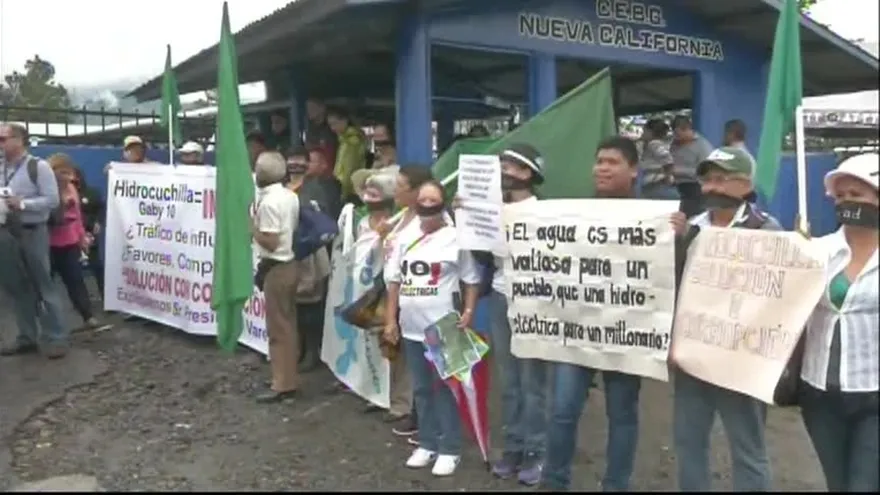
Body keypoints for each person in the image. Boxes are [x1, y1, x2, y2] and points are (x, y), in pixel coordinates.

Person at [541, 136, 685, 492]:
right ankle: (554, 481)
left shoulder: (655, 217)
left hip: (626, 333)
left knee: (622, 416)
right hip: (577, 330)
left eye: (613, 162)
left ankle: (616, 485)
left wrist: (679, 237)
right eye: (599, 161)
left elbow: (670, 272)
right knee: (562, 411)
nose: (602, 168)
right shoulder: (574, 213)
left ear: (633, 170)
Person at [670, 146, 781, 492]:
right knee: (689, 442)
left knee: (748, 448)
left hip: (739, 361)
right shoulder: (691, 229)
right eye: (707, 180)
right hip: (692, 355)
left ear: (745, 184)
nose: (711, 188)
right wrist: (671, 241)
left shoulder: (767, 231)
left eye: (721, 179)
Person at [383, 179, 480, 477]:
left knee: (445, 389)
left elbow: (471, 278)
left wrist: (469, 310)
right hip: (411, 328)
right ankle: (427, 442)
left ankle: (450, 447)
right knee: (422, 389)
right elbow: (394, 282)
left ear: (443, 203)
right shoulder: (404, 237)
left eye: (433, 200)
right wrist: (390, 320)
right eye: (421, 199)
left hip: (443, 327)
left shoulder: (456, 238)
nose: (426, 205)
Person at [799, 153, 879, 492]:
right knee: (838, 484)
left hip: (873, 396)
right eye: (842, 196)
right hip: (819, 394)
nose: (847, 203)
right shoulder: (816, 251)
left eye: (857, 196)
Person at [485, 143, 547, 486]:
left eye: (513, 166)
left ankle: (537, 452)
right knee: (509, 384)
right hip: (499, 296)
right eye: (502, 165)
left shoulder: (544, 211)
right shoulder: (489, 209)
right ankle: (514, 447)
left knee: (532, 384)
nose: (505, 171)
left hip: (533, 302)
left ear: (529, 174)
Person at [378, 165, 444, 438]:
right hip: (401, 299)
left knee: (427, 368)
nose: (395, 190)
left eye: (401, 185)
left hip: (423, 301)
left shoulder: (429, 225)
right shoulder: (401, 216)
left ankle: (430, 422)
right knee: (409, 362)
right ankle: (417, 415)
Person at [0, 123, 69, 359]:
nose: (0, 143)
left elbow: (52, 200)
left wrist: (24, 204)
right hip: (5, 233)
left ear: (19, 140)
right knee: (16, 286)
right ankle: (26, 337)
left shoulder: (38, 167)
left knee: (44, 284)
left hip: (32, 231)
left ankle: (57, 338)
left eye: (2, 138)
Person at [252, 151, 302, 403]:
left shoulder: (270, 203)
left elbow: (270, 242)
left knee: (279, 329)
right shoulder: (289, 196)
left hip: (277, 265)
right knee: (287, 325)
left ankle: (283, 383)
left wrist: (251, 227)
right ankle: (285, 377)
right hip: (288, 264)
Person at [46, 154, 109, 332]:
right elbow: (47, 217)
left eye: (70, 173)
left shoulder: (72, 189)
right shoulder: (46, 190)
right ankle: (49, 324)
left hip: (69, 244)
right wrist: (61, 207)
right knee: (46, 286)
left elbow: (78, 218)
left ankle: (88, 316)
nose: (70, 177)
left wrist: (82, 238)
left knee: (76, 281)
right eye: (64, 173)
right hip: (48, 245)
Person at [286, 146, 334, 372]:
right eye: (291, 161)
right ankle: (299, 349)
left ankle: (313, 352)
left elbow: (323, 218)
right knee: (294, 305)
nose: (295, 165)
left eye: (300, 161)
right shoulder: (282, 187)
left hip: (311, 250)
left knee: (312, 304)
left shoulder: (315, 188)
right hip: (288, 251)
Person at [670, 115, 713, 218]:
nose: (676, 137)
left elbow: (705, 171)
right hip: (676, 187)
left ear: (687, 129)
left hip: (695, 188)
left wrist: (678, 171)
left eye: (678, 134)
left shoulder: (703, 146)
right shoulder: (674, 144)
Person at [72, 167, 104, 298]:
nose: (74, 180)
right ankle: (81, 299)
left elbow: (101, 208)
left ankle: (106, 297)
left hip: (90, 235)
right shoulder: (64, 193)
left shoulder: (91, 193)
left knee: (97, 266)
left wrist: (98, 221)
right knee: (74, 271)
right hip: (71, 236)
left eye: (75, 176)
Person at [327, 107, 367, 202]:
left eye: (335, 123)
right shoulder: (343, 140)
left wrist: (343, 193)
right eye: (330, 125)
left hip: (349, 188)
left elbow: (349, 167)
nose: (333, 128)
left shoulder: (352, 141)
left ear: (345, 120)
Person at [639, 119, 679, 200]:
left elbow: (668, 161)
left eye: (644, 131)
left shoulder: (654, 144)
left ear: (650, 132)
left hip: (655, 185)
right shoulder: (650, 146)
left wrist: (668, 177)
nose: (642, 134)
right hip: (652, 185)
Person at [305, 98, 338, 166]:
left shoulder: (331, 127)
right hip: (314, 167)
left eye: (312, 107)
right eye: (307, 108)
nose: (309, 111)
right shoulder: (310, 129)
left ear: (322, 108)